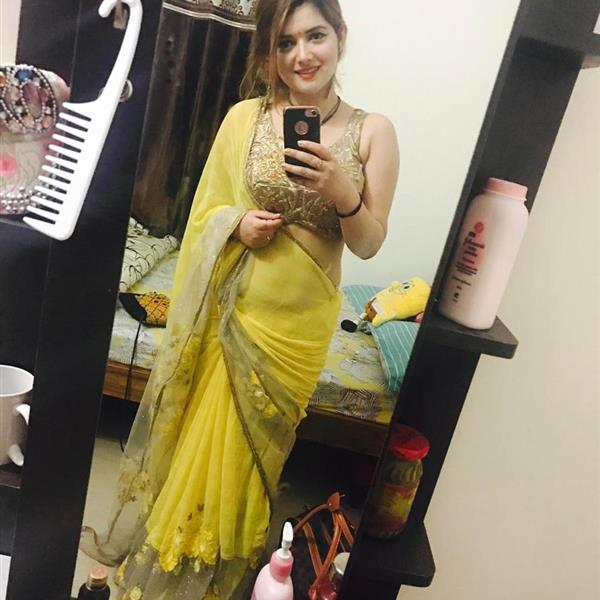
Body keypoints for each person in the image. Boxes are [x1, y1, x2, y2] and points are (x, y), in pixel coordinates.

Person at [80, 1, 399, 598]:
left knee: (256, 461)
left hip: (298, 330)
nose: (301, 55)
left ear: (340, 36)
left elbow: (369, 244)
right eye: (284, 43)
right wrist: (237, 225)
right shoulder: (243, 119)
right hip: (235, 314)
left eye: (315, 36)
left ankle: (223, 567)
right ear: (269, 53)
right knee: (206, 451)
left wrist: (342, 191)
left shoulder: (374, 130)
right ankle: (177, 564)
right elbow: (205, 213)